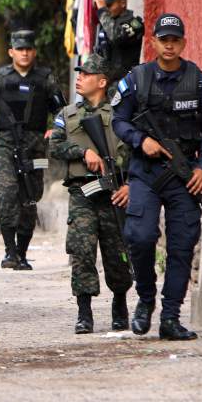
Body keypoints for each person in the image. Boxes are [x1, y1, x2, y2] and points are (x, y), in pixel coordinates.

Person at [112, 13, 202, 340]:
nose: (169, 45)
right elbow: (118, 120)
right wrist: (139, 139)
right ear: (154, 42)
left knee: (182, 245)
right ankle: (145, 300)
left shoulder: (198, 82)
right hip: (145, 173)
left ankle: (170, 316)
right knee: (140, 237)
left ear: (183, 43)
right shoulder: (138, 79)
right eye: (164, 39)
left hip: (184, 176)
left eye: (175, 40)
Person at [49, 54, 133, 334]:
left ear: (102, 81)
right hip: (82, 192)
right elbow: (55, 147)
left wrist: (128, 185)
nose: (80, 78)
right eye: (79, 74)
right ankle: (84, 313)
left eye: (86, 74)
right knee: (82, 252)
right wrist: (83, 152)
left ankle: (120, 305)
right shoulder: (67, 115)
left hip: (114, 193)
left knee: (116, 252)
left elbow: (134, 152)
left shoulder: (121, 114)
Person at [0, 30, 66, 270]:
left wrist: (54, 131)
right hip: (5, 144)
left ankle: (23, 254)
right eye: (20, 49)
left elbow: (62, 112)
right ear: (11, 52)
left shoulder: (45, 78)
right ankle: (9, 252)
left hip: (35, 148)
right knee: (6, 191)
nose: (24, 53)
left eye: (28, 49)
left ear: (34, 52)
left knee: (30, 198)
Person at [94, 0, 145, 86]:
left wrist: (103, 12)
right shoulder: (108, 23)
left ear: (122, 3)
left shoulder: (134, 23)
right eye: (104, 5)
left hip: (125, 84)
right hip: (105, 84)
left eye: (109, 5)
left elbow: (116, 36)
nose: (106, 9)